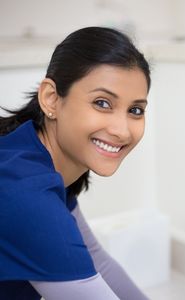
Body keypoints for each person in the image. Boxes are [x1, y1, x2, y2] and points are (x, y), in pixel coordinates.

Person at [0, 27, 151, 300]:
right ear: (51, 99)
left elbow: (98, 263)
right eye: (102, 103)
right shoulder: (27, 195)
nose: (122, 130)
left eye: (135, 110)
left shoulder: (32, 155)